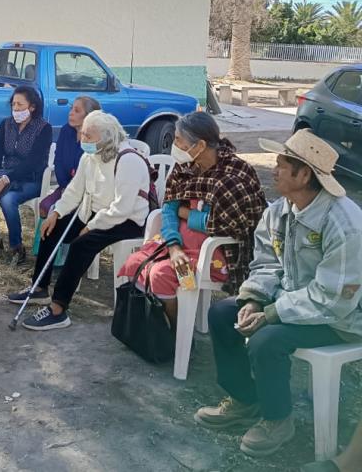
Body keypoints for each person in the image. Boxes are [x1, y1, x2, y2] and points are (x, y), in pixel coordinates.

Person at [194, 129, 362, 458]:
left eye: (282, 165)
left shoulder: (345, 224)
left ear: (304, 175)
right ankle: (244, 399)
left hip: (344, 316)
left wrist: (270, 313)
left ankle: (278, 420)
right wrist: (253, 299)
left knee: (266, 339)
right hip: (295, 303)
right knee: (222, 313)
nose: (274, 170)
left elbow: (332, 297)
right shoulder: (280, 210)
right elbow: (268, 263)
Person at [118, 112, 267, 326]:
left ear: (199, 145)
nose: (174, 144)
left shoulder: (235, 175)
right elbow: (169, 209)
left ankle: (175, 332)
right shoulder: (184, 168)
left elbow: (227, 226)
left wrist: (186, 214)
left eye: (179, 140)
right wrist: (174, 246)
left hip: (218, 253)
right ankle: (154, 327)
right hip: (177, 244)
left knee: (161, 273)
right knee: (136, 262)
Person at [7, 110, 149, 331]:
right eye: (83, 134)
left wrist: (91, 227)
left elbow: (122, 208)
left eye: (89, 136)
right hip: (95, 212)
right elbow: (74, 191)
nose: (83, 140)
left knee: (81, 245)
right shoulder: (89, 157)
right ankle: (39, 287)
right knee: (49, 229)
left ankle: (58, 309)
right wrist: (56, 213)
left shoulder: (128, 160)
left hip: (127, 220)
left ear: (106, 137)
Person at [0, 85, 52, 265]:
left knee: (8, 200)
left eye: (20, 105)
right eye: (13, 105)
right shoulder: (6, 125)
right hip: (5, 174)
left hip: (31, 178)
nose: (16, 109)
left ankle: (16, 247)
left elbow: (33, 162)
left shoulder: (43, 128)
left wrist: (5, 180)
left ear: (32, 107)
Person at [38, 96, 100, 217]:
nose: (71, 113)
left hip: (87, 192)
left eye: (77, 111)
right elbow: (58, 160)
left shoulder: (94, 138)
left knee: (66, 215)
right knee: (44, 206)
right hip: (65, 187)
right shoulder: (66, 130)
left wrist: (72, 191)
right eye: (71, 109)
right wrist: (65, 186)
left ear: (89, 116)